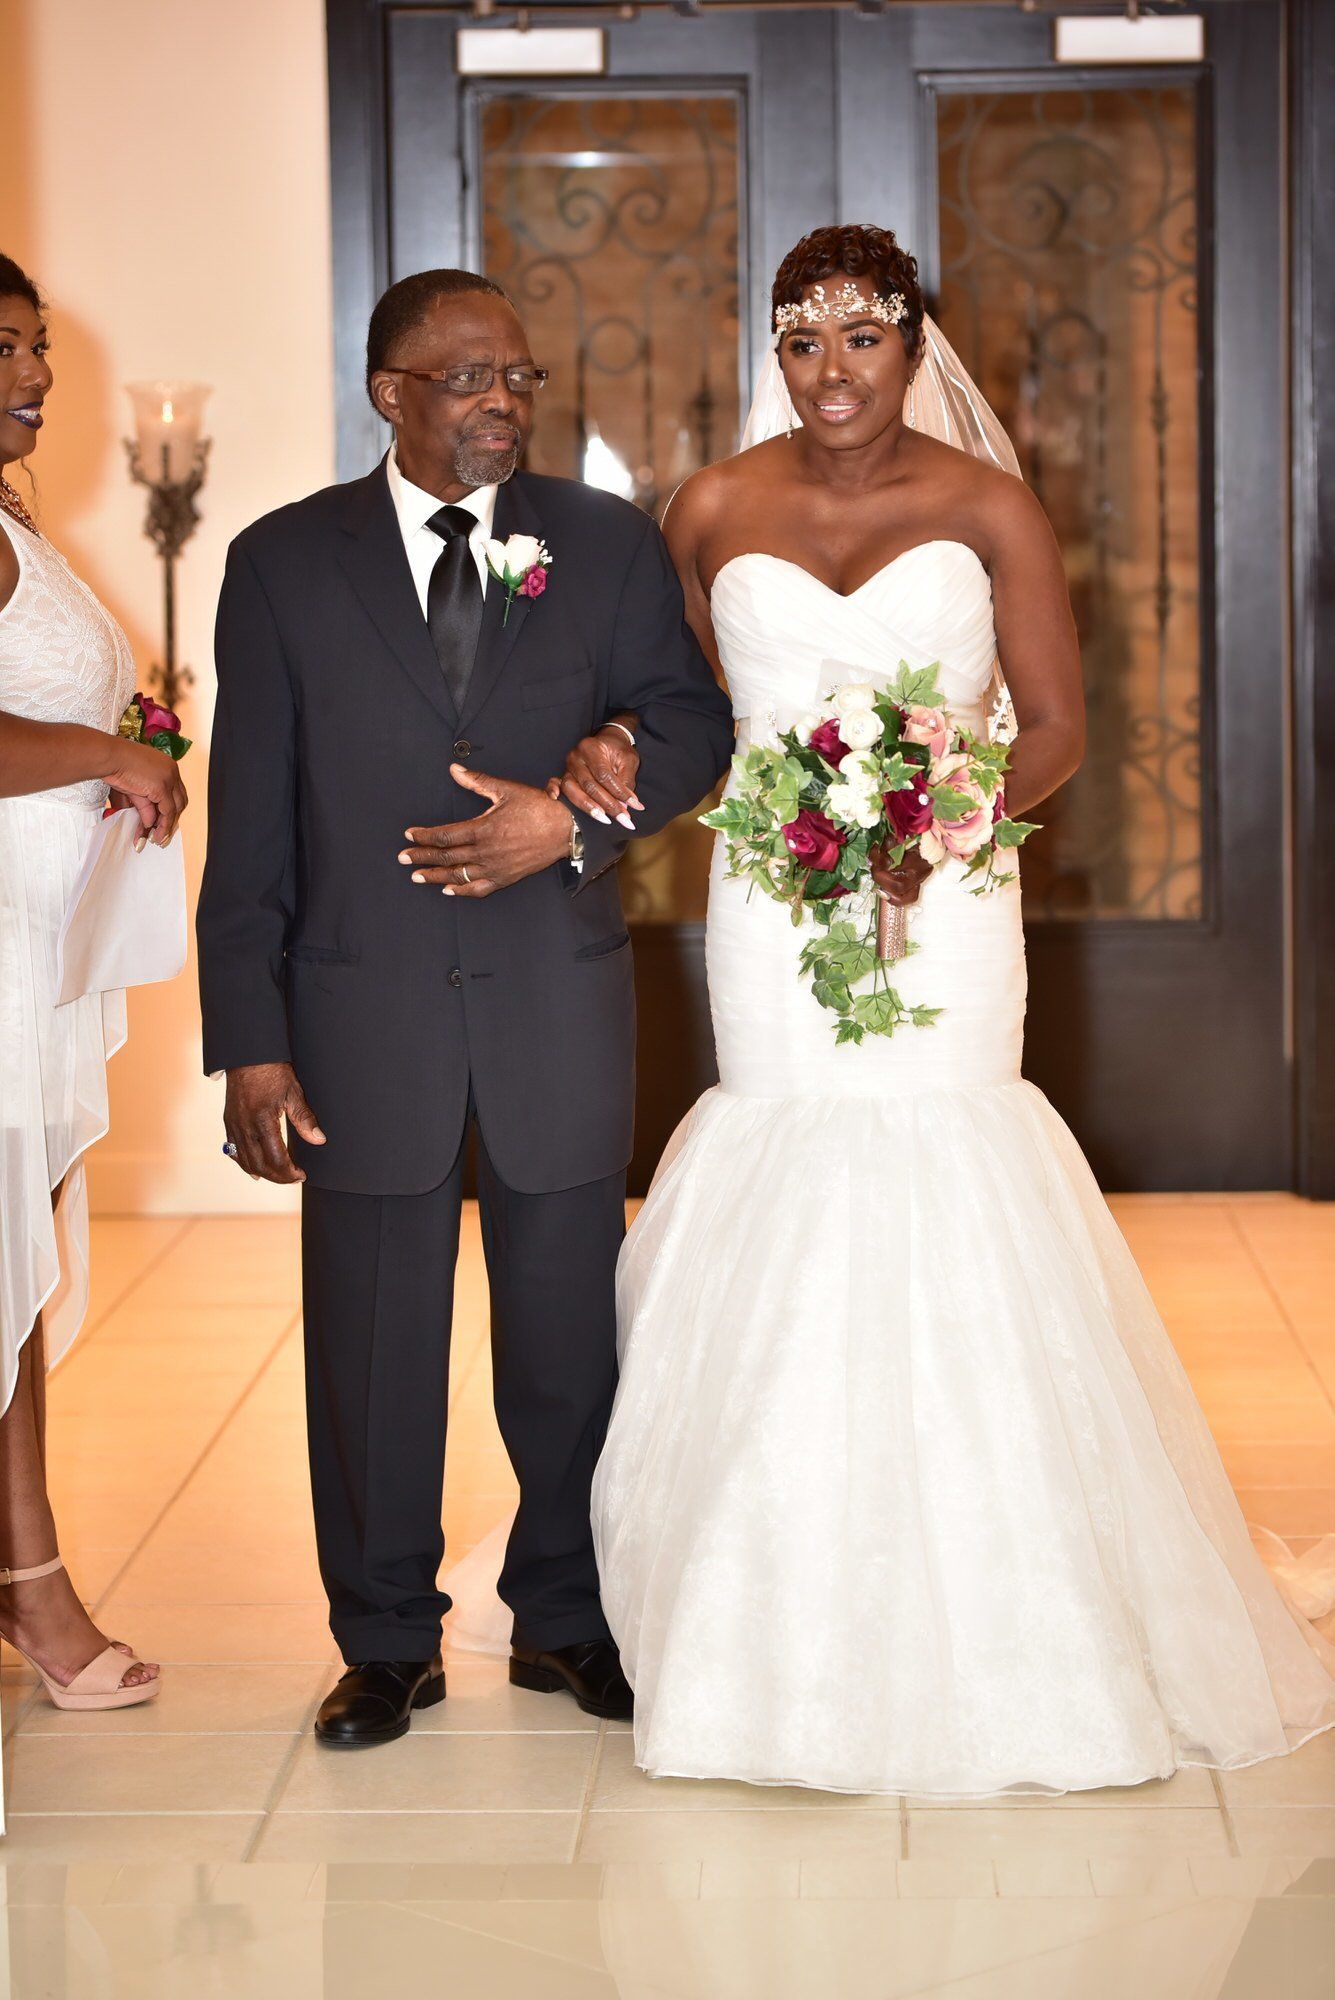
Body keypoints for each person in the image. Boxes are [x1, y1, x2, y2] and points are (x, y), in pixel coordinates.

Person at [574, 225, 1335, 1796]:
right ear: (769, 352)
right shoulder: (708, 507)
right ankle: (760, 1620)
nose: (831, 370)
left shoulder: (990, 507)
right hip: (775, 913)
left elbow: (1054, 724)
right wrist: (618, 762)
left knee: (948, 1165)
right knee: (785, 1158)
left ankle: (1017, 1606)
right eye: (801, 339)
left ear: (918, 346)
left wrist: (938, 810)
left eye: (863, 336)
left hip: (952, 892)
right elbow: (690, 719)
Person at [197, 269, 734, 1749]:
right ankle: (383, 1641)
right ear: (391, 394)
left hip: (552, 1004)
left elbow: (694, 724)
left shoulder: (605, 544)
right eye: (470, 379)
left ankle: (565, 1619)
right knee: (371, 1348)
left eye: (522, 379)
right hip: (360, 1015)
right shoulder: (282, 565)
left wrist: (571, 816)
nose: (504, 402)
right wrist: (250, 1039)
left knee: (568, 1338)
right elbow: (250, 823)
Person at [0, 254, 186, 1714]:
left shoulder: (17, 518)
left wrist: (129, 754)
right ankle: (36, 1593)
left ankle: (21, 1578)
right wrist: (111, 757)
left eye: (39, 345)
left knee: (11, 1272)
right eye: (8, 346)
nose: (39, 373)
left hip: (36, 948)